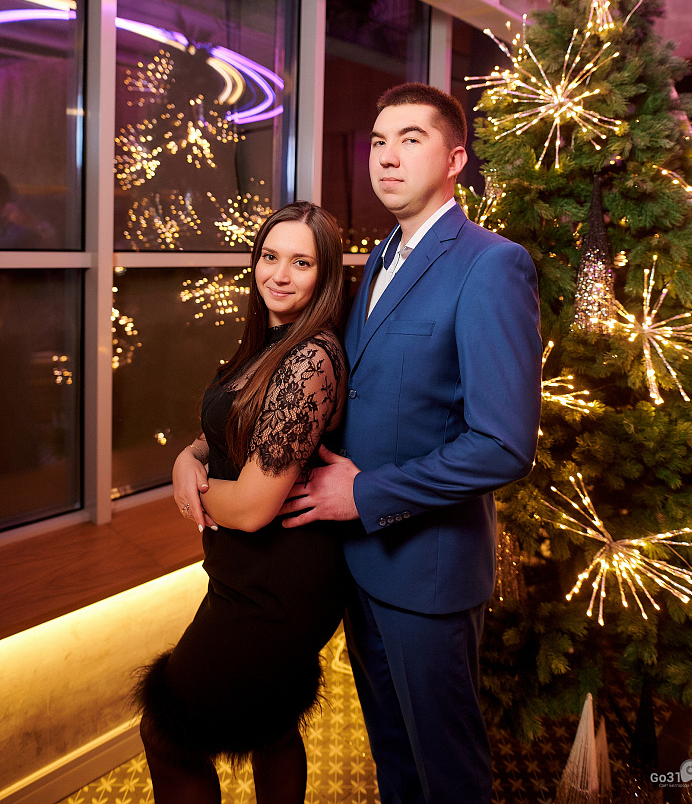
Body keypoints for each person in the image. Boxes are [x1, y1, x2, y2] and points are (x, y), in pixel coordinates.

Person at [279, 83, 542, 804]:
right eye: (377, 142)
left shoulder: (491, 264)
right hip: (360, 565)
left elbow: (503, 445)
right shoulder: (378, 258)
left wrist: (364, 493)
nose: (386, 157)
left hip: (428, 574)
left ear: (455, 159)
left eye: (411, 140)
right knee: (393, 762)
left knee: (447, 774)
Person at [136, 201, 348, 804]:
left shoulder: (310, 358)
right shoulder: (272, 342)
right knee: (271, 725)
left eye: (301, 262)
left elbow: (254, 507)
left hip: (276, 585)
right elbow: (233, 428)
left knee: (166, 733)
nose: (278, 275)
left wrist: (191, 493)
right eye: (269, 256)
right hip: (247, 573)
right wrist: (188, 456)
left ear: (325, 275)